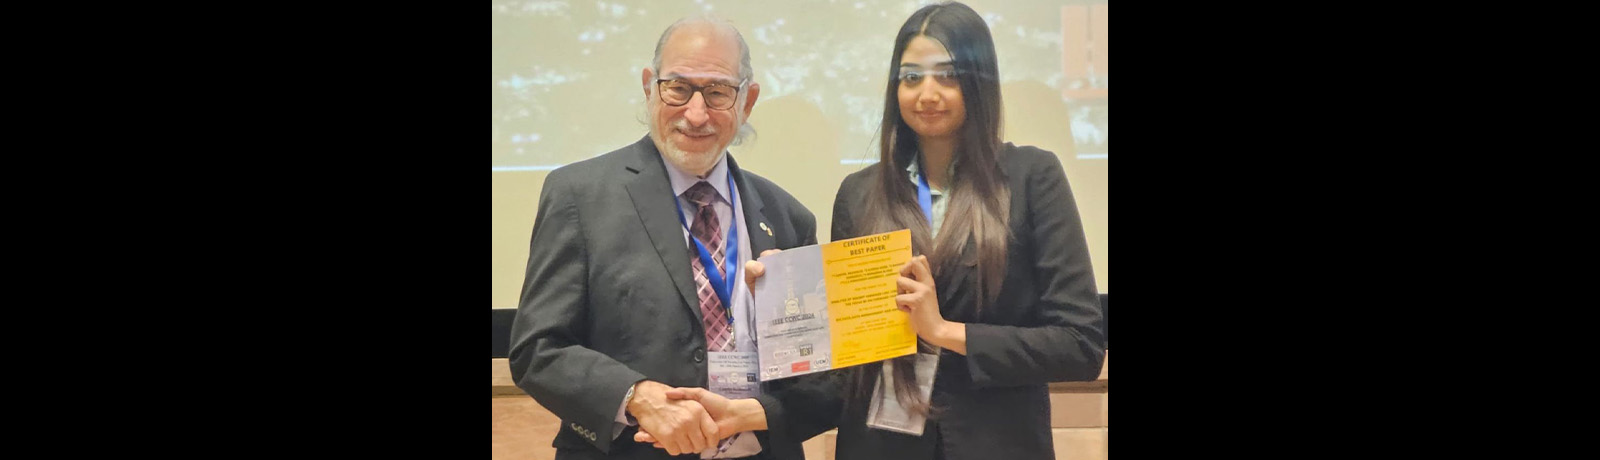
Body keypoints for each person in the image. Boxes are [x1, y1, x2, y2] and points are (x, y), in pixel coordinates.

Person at [507, 15, 836, 460]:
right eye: (678, 88)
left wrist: (763, 398)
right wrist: (637, 397)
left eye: (718, 92)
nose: (696, 114)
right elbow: (537, 350)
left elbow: (816, 382)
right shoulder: (579, 196)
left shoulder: (786, 216)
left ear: (748, 101)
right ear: (649, 86)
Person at [827, 2, 1105, 459]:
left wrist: (943, 331)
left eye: (948, 76)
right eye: (911, 77)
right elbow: (847, 355)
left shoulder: (1032, 177)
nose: (927, 93)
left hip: (996, 444)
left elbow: (1080, 344)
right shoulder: (859, 194)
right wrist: (788, 295)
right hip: (879, 445)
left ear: (979, 83)